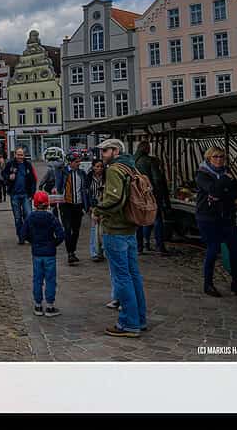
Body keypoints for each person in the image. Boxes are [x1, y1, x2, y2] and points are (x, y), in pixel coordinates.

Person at [96, 138, 148, 337]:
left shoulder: (114, 169)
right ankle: (140, 319)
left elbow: (114, 199)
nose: (102, 155)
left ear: (116, 151)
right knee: (133, 275)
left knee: (121, 278)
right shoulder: (131, 167)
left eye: (105, 151)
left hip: (116, 229)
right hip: (130, 228)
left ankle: (128, 323)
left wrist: (97, 209)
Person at [195, 147, 237, 298]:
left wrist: (224, 192)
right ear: (209, 158)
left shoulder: (227, 172)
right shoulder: (202, 174)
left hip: (227, 217)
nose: (219, 159)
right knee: (213, 249)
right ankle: (208, 284)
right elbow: (213, 190)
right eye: (215, 156)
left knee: (235, 249)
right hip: (208, 218)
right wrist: (224, 184)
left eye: (222, 157)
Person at [20, 190, 66, 317]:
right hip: (50, 253)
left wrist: (33, 241)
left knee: (37, 279)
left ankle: (38, 305)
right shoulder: (51, 217)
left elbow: (23, 233)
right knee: (50, 279)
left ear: (35, 204)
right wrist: (53, 243)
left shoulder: (30, 217)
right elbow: (61, 235)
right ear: (47, 204)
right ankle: (50, 306)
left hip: (37, 252)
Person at [41, 152, 88, 265]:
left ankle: (73, 250)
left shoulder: (81, 173)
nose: (79, 164)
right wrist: (55, 189)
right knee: (67, 229)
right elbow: (58, 181)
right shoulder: (62, 171)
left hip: (78, 204)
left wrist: (86, 205)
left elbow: (85, 190)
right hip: (65, 204)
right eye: (76, 162)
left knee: (76, 230)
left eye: (79, 162)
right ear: (70, 163)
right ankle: (70, 253)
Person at [135, 142, 170, 255]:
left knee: (140, 221)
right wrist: (160, 196)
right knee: (157, 219)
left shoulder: (132, 161)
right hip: (151, 195)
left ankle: (139, 247)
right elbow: (157, 180)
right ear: (147, 149)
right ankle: (160, 247)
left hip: (137, 195)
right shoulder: (151, 161)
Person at [0, 146, 38, 244]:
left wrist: (32, 193)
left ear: (24, 155)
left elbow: (33, 180)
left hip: (26, 195)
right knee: (17, 218)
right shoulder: (10, 164)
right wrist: (9, 177)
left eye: (22, 155)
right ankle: (21, 237)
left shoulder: (27, 165)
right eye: (18, 155)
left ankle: (29, 236)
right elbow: (3, 174)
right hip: (14, 195)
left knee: (28, 216)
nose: (20, 157)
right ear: (15, 155)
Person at [85, 159, 106, 263]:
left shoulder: (106, 177)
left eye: (101, 166)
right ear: (93, 167)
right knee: (94, 229)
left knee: (103, 229)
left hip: (104, 205)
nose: (99, 168)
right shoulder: (89, 177)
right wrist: (88, 206)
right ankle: (94, 252)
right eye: (97, 166)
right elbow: (86, 192)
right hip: (93, 206)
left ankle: (102, 251)